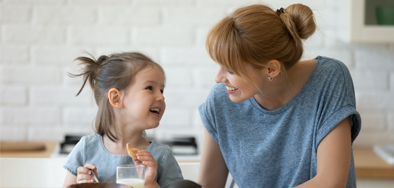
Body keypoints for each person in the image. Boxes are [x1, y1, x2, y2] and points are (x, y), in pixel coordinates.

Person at [197, 3, 361, 188]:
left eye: (230, 70)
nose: (218, 78)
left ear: (271, 69)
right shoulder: (221, 100)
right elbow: (208, 184)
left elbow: (330, 182)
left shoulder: (329, 78)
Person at [62, 52, 183, 188]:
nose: (161, 97)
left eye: (161, 90)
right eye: (150, 88)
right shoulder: (86, 149)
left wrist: (150, 183)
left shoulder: (162, 156)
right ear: (116, 98)